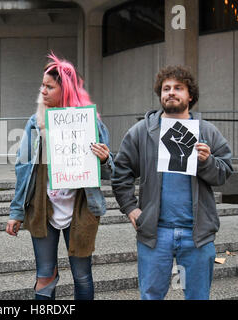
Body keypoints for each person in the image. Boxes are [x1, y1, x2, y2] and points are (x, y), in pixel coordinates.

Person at [111, 65, 233, 300]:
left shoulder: (207, 131)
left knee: (197, 296)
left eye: (178, 88)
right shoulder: (141, 132)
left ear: (190, 95)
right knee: (151, 296)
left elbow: (224, 172)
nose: (171, 92)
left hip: (197, 235)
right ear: (160, 94)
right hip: (156, 234)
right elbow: (121, 170)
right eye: (166, 88)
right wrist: (130, 207)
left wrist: (207, 162)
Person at [5, 53, 114, 300]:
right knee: (44, 275)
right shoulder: (35, 122)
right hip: (43, 208)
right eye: (42, 85)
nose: (42, 91)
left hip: (81, 208)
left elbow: (108, 173)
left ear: (64, 90)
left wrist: (105, 159)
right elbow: (23, 169)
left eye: (49, 86)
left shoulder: (90, 123)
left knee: (82, 276)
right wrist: (16, 212)